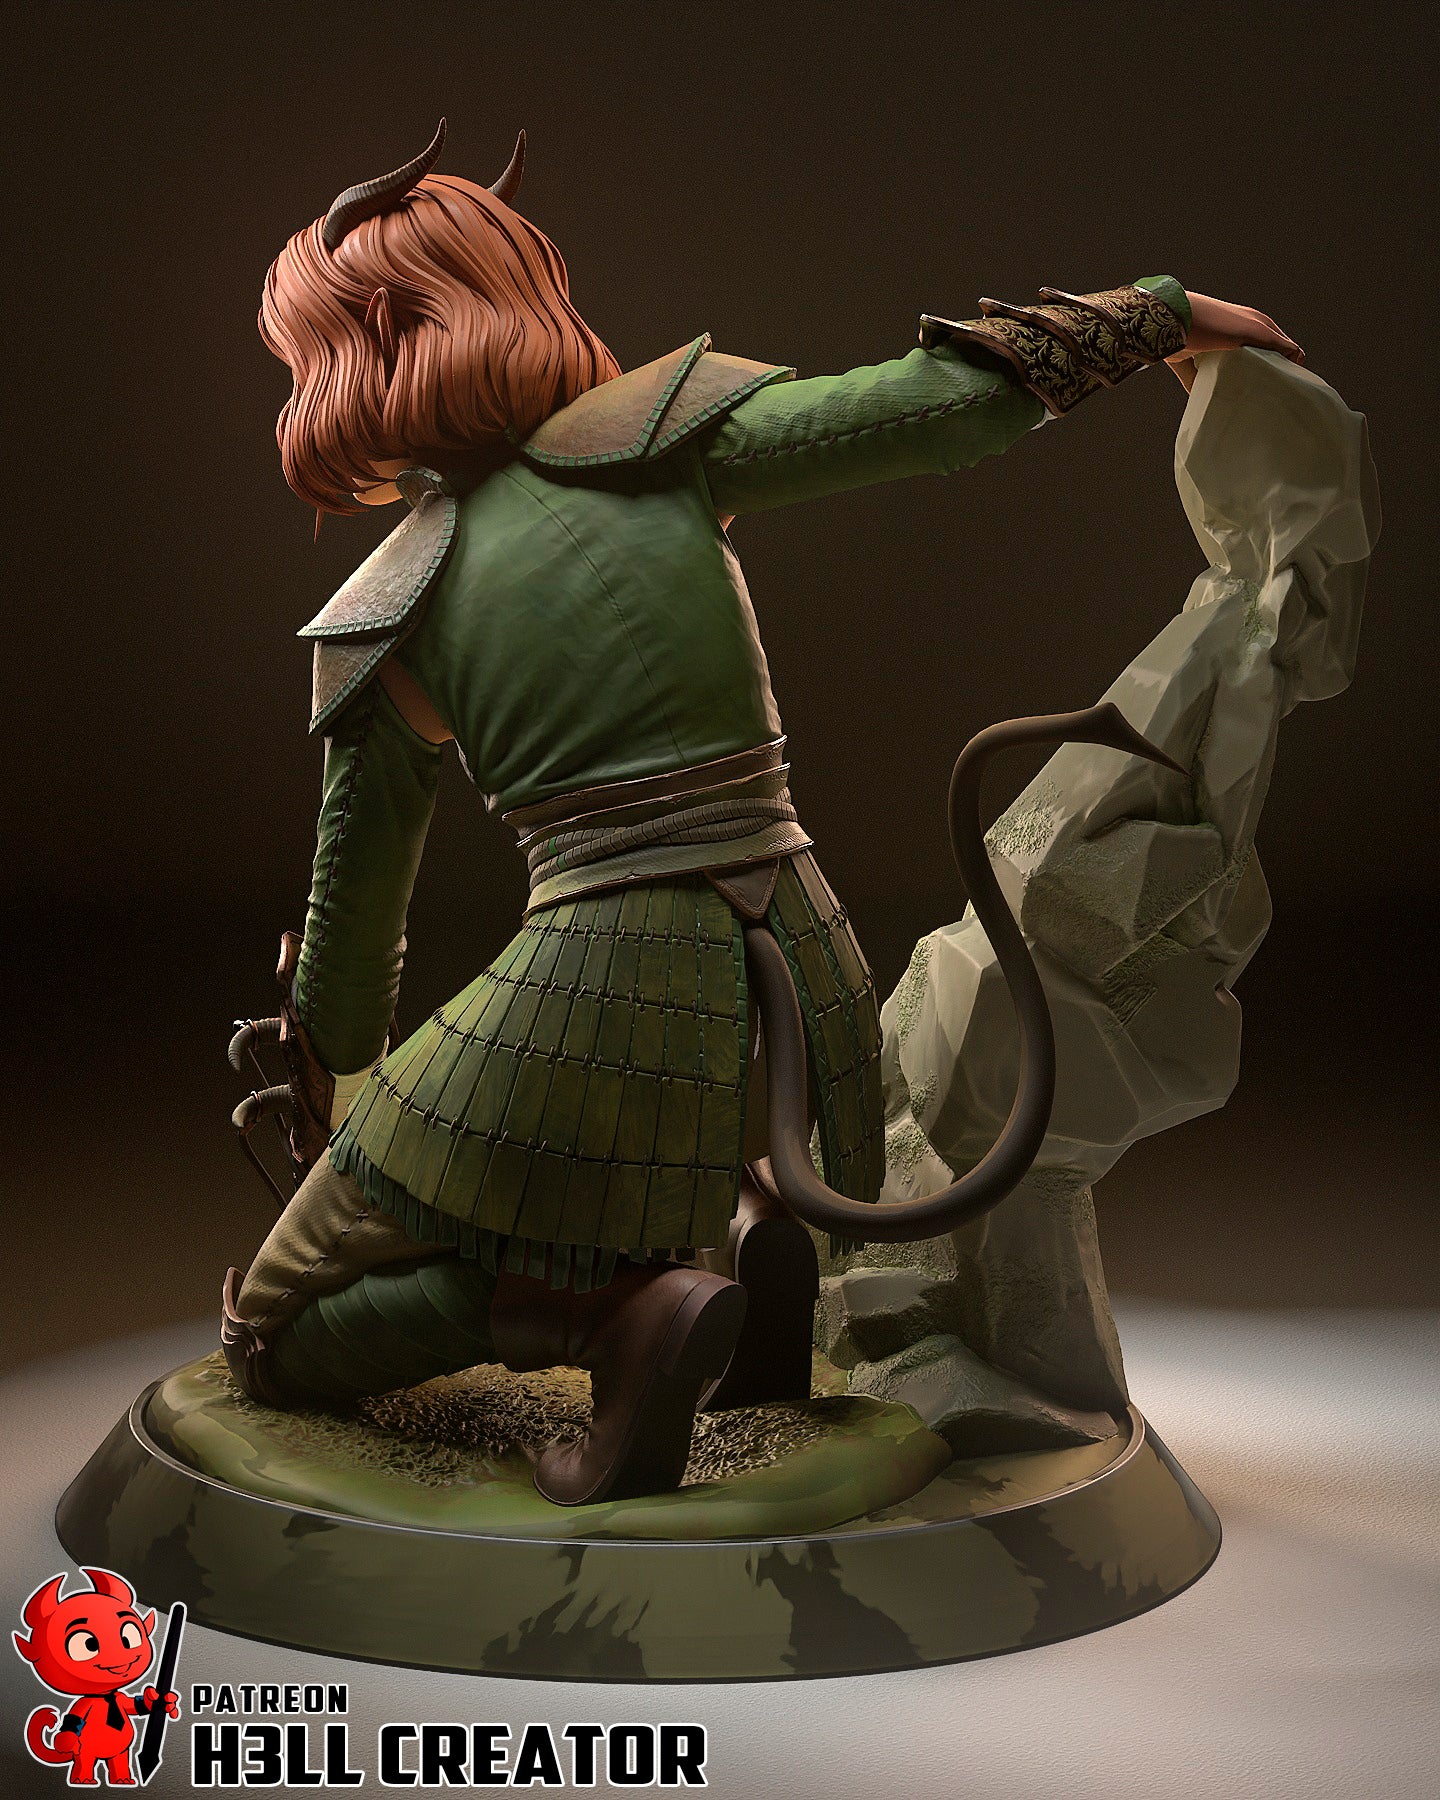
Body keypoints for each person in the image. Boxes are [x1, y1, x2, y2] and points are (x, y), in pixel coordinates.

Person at [221, 120, 1302, 1506]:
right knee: (614, 1156)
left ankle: (608, 1318)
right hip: (801, 959)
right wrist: (1158, 315)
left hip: (598, 984)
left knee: (276, 1333)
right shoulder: (659, 442)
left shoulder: (388, 612)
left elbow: (352, 945)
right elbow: (934, 407)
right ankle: (748, 1246)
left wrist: (334, 1086)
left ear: (360, 341)